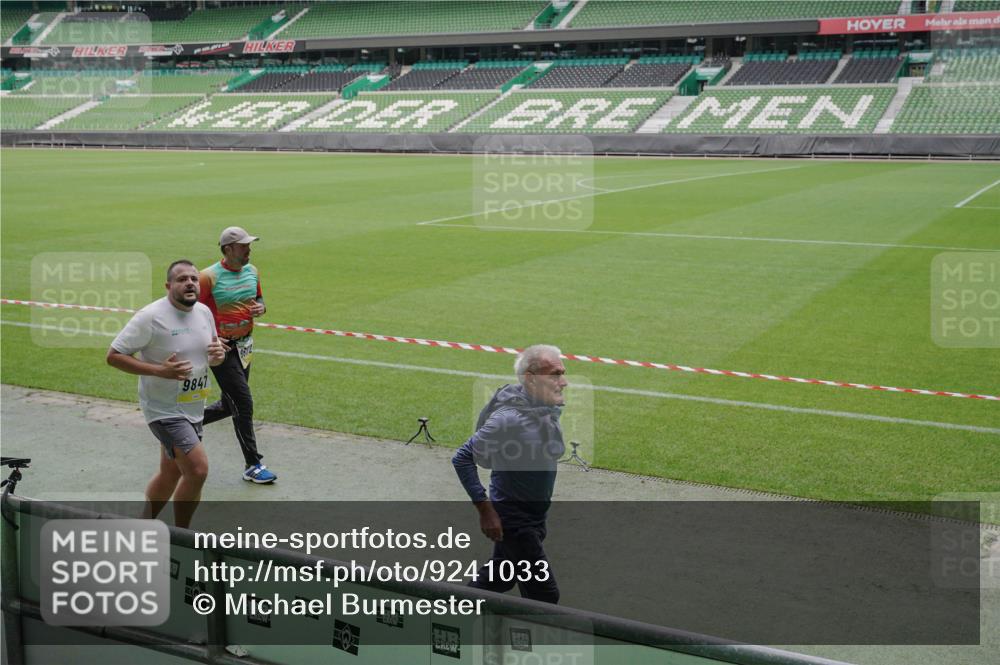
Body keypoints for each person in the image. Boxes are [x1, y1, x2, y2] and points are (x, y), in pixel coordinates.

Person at [107, 260, 226, 528]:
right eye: (182, 279)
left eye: (194, 279)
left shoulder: (204, 312)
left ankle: (143, 525)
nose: (190, 283)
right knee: (197, 470)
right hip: (164, 410)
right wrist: (160, 371)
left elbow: (211, 356)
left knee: (170, 473)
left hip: (193, 406)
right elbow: (114, 356)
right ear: (169, 285)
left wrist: (217, 357)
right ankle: (180, 534)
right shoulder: (150, 316)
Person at [452, 344, 567, 604]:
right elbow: (462, 458)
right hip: (515, 521)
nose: (564, 382)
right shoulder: (509, 418)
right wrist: (485, 510)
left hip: (534, 517)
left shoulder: (544, 406)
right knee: (545, 596)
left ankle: (451, 615)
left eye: (562, 373)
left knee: (498, 579)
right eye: (555, 375)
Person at [199, 226, 277, 484]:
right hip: (222, 350)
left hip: (245, 346)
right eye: (244, 246)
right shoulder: (208, 277)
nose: (249, 250)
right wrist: (209, 338)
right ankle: (252, 464)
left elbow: (260, 300)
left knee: (227, 404)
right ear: (228, 249)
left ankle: (183, 426)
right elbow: (190, 312)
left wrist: (261, 309)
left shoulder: (252, 272)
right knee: (243, 403)